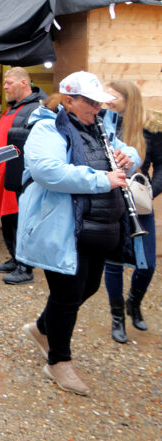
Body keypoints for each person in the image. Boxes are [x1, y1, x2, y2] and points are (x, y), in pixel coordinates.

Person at [17, 71, 142, 396]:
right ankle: (58, 361)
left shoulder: (100, 126)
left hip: (99, 228)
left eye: (100, 103)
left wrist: (129, 158)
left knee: (87, 287)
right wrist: (102, 179)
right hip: (64, 228)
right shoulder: (47, 127)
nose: (98, 109)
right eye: (91, 102)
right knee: (68, 294)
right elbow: (48, 170)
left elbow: (130, 153)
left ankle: (42, 328)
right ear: (69, 100)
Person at [102, 80, 161, 343]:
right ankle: (117, 317)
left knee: (147, 264)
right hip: (110, 199)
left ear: (129, 99)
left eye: (113, 96)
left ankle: (133, 304)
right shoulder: (103, 122)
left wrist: (148, 192)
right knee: (113, 263)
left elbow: (161, 165)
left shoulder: (151, 127)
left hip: (139, 203)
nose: (107, 100)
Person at [0, 67, 46, 284]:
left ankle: (25, 266)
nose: (5, 87)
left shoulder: (36, 109)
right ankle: (15, 257)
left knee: (20, 220)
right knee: (8, 219)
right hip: (4, 174)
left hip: (19, 176)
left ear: (24, 83)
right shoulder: (15, 107)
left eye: (9, 83)